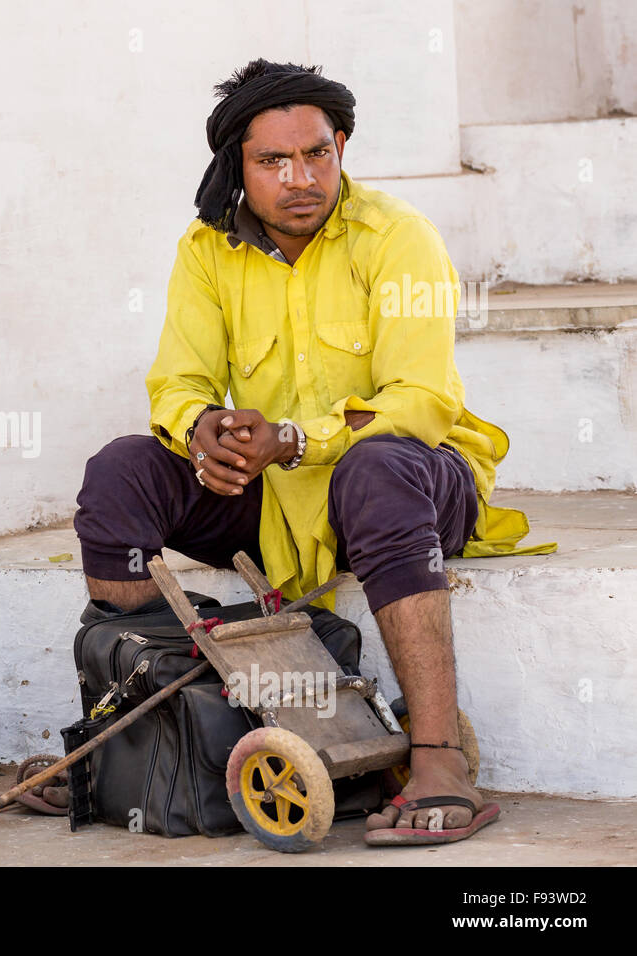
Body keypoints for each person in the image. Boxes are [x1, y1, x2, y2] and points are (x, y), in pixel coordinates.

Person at [73, 58, 555, 846]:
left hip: (413, 480)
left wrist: (294, 439)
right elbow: (178, 380)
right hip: (273, 502)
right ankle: (140, 730)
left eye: (318, 155)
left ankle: (439, 763)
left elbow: (421, 400)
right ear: (237, 165)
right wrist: (203, 430)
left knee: (377, 466)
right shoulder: (207, 250)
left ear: (341, 149)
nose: (301, 178)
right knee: (121, 472)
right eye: (273, 161)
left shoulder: (398, 237)